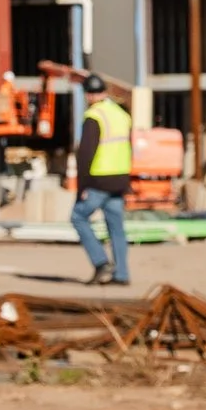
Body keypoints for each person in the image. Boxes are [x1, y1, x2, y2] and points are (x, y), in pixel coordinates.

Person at [70, 74, 133, 285]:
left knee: (78, 217)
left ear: (87, 94)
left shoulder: (94, 116)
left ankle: (100, 262)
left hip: (99, 180)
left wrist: (82, 187)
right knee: (116, 228)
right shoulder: (121, 114)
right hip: (120, 180)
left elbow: (85, 154)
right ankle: (122, 274)